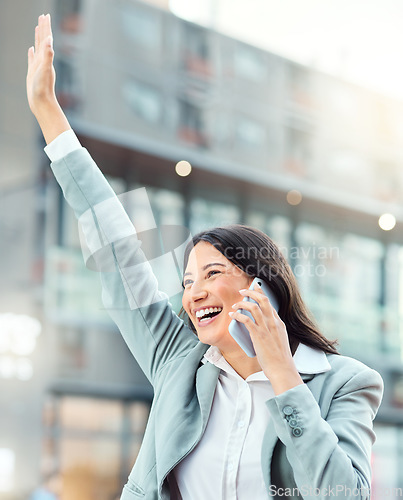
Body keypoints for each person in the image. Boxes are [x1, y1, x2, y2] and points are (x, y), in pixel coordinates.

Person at [27, 14, 383, 500]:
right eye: (188, 281)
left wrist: (282, 375)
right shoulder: (178, 361)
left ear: (263, 284)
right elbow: (117, 249)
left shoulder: (345, 383)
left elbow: (345, 495)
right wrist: (50, 114)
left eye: (212, 273)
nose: (193, 293)